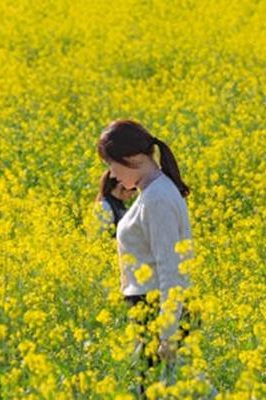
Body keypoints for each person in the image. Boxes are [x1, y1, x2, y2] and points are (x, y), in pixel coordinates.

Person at [97, 120, 193, 394]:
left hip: (158, 313)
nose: (112, 175)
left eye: (112, 165)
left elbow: (170, 268)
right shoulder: (152, 192)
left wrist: (166, 332)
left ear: (131, 159)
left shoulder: (157, 198)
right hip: (152, 310)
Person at [96, 169, 137, 237]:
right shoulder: (104, 206)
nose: (132, 195)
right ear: (120, 186)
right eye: (132, 189)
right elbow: (100, 236)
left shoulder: (119, 205)